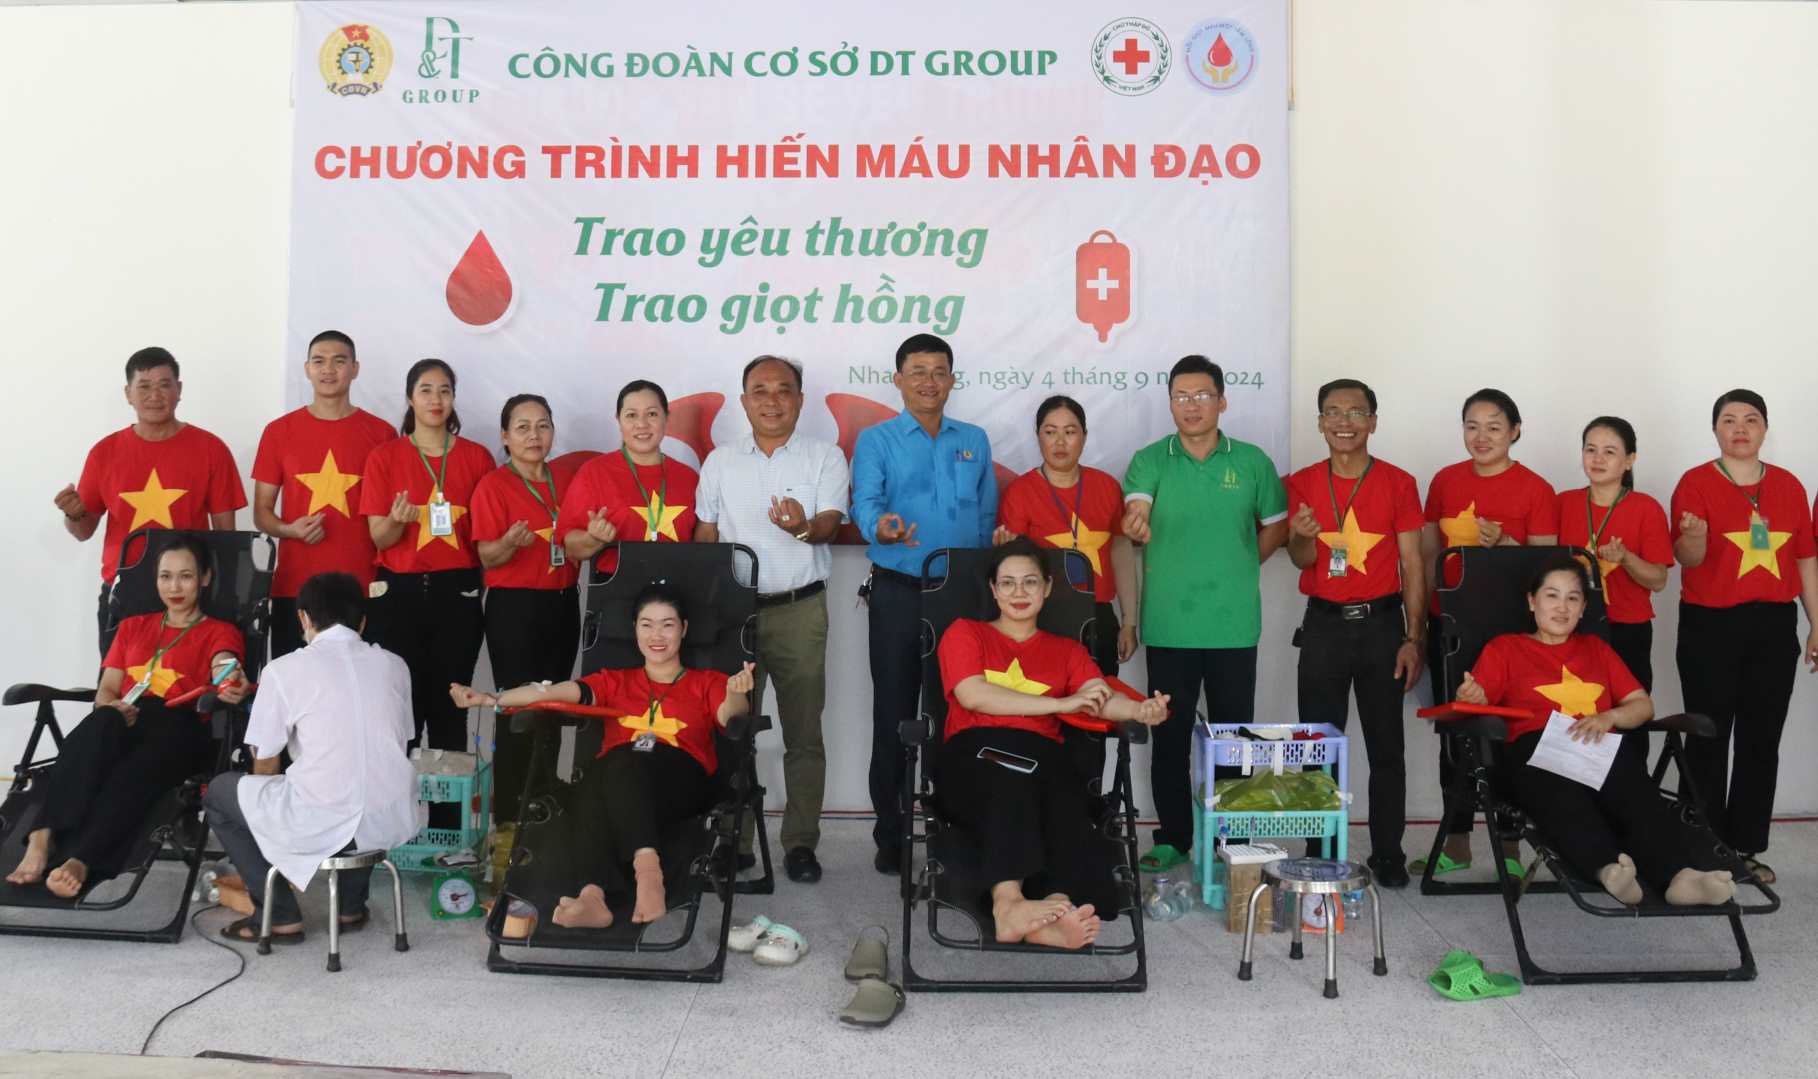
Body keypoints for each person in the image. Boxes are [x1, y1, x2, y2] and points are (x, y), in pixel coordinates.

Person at [449, 581, 754, 928]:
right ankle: (593, 899)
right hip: (619, 783)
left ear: (683, 630)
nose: (657, 634)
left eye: (667, 624)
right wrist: (493, 699)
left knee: (617, 763)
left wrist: (736, 693)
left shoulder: (707, 681)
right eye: (647, 624)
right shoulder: (615, 682)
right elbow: (553, 692)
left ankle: (647, 874)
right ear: (635, 630)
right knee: (597, 778)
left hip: (683, 783)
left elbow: (732, 718)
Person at [1454, 555, 1738, 907]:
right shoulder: (1506, 648)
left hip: (1593, 744)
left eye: (1573, 598)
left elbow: (1642, 705)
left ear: (1583, 606)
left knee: (1635, 792)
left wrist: (1609, 718)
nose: (1562, 607)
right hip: (1534, 748)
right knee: (1560, 794)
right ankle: (1608, 870)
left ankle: (1680, 877)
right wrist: (1474, 696)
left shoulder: (1596, 650)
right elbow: (1478, 700)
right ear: (1532, 601)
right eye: (1551, 596)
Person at [936, 539, 1170, 949]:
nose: (1019, 593)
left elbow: (1099, 697)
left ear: (1046, 587)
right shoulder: (965, 633)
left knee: (1066, 792)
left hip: (1042, 756)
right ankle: (1007, 904)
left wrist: (1140, 710)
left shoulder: (1067, 650)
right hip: (974, 752)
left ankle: (1055, 910)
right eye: (1007, 583)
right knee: (1010, 781)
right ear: (992, 590)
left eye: (1029, 582)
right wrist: (1060, 702)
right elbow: (973, 695)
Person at [1121, 355, 1287, 875]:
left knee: (1235, 738)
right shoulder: (1150, 459)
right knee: (1168, 738)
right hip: (1169, 626)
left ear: (1221, 400)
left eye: (1201, 396)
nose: (1191, 406)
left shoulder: (1254, 462)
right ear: (1170, 402)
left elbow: (1278, 526)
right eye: (1180, 397)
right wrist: (1137, 523)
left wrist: (1241, 561)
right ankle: (1173, 837)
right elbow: (1137, 508)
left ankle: (1235, 838)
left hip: (1233, 626)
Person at [7, 537, 246, 896]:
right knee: (99, 724)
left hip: (180, 724)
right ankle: (42, 838)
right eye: (166, 577)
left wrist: (232, 680)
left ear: (205, 578)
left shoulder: (218, 631)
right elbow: (107, 689)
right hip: (126, 716)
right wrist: (113, 706)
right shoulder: (133, 627)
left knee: (134, 770)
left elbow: (224, 664)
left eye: (185, 576)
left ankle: (82, 858)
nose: (174, 587)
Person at [695, 356, 849, 884]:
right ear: (743, 401)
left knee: (804, 733)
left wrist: (803, 529)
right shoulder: (719, 461)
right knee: (733, 730)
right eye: (759, 390)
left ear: (800, 399)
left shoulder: (824, 457)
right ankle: (733, 842)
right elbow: (706, 537)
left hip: (800, 608)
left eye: (784, 390)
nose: (772, 400)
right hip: (734, 614)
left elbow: (828, 526)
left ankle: (801, 843)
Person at [204, 572, 420, 943]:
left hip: (328, 818)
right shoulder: (395, 665)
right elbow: (396, 741)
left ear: (303, 618)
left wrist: (271, 826)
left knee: (220, 793)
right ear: (362, 622)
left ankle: (279, 915)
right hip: (391, 817)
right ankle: (351, 907)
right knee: (363, 780)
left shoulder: (283, 670)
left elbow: (267, 762)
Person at [852, 333, 996, 875]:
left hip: (961, 599)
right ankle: (891, 835)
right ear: (898, 379)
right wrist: (880, 529)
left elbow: (983, 521)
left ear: (953, 379)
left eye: (939, 371)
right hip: (898, 593)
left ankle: (948, 827)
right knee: (894, 715)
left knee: (954, 714)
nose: (929, 381)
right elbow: (865, 504)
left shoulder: (974, 440)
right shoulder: (878, 440)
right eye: (917, 371)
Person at [1670, 389, 1818, 885]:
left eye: (1750, 419)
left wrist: (1817, 622)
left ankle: (1746, 847)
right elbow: (1688, 560)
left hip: (1774, 626)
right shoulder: (1694, 484)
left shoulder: (1790, 487)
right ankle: (1702, 846)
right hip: (1710, 626)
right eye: (1729, 419)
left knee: (1761, 740)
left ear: (1764, 429)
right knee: (1708, 736)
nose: (1739, 428)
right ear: (1714, 429)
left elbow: (1804, 559)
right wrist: (1693, 537)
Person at [1283, 379, 1425, 887]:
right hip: (1322, 625)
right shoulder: (1300, 482)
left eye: (1356, 413)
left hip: (1384, 626)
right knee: (1318, 745)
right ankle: (1320, 848)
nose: (1344, 422)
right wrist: (1300, 536)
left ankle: (1388, 851)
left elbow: (1412, 562)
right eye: (1333, 413)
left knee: (1387, 747)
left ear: (1373, 422)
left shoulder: (1398, 482)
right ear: (1320, 422)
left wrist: (1415, 638)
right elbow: (1301, 559)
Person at [1419, 387, 1557, 875]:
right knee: (1454, 735)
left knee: (1509, 735)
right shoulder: (1445, 481)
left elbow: (1547, 569)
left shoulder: (1536, 489)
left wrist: (1507, 544)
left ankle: (1512, 845)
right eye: (1472, 426)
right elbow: (1427, 555)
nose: (1482, 437)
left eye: (1494, 427)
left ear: (1515, 431)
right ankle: (1456, 841)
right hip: (1453, 627)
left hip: (1513, 633)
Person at [60, 347, 245, 654]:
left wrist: (222, 600)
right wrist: (74, 514)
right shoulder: (104, 453)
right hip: (125, 593)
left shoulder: (211, 449)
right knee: (117, 693)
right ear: (128, 393)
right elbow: (83, 531)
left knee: (185, 694)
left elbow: (227, 541)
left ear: (179, 390)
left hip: (190, 594)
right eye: (144, 386)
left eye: (164, 384)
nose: (154, 395)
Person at [356, 359, 494, 759]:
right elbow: (377, 537)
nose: (436, 399)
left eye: (445, 390)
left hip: (458, 593)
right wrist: (397, 523)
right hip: (398, 593)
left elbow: (483, 537)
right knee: (402, 709)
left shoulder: (477, 458)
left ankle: (448, 819)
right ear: (409, 397)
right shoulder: (385, 457)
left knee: (452, 706)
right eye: (426, 390)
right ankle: (401, 816)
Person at [469, 395, 582, 844]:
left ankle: (545, 798)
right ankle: (510, 810)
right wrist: (509, 545)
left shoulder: (567, 480)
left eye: (542, 426)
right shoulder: (494, 486)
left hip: (563, 602)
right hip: (514, 607)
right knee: (517, 706)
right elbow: (485, 556)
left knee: (554, 702)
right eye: (522, 427)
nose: (534, 436)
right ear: (504, 435)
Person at [251, 330, 397, 659]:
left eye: (339, 361)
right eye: (319, 361)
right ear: (307, 368)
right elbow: (262, 512)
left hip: (364, 583)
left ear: (355, 369)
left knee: (363, 683)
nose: (328, 369)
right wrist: (289, 530)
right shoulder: (279, 432)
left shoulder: (381, 433)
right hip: (296, 584)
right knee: (295, 685)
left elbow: (388, 517)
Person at [1555, 416, 1672, 772]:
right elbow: (1538, 561)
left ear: (1630, 459)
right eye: (1590, 449)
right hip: (1569, 631)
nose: (1598, 458)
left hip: (1626, 629)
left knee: (1625, 721)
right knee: (1571, 715)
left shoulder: (1645, 508)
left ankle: (1630, 805)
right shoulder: (1562, 503)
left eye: (1610, 451)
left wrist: (1625, 558)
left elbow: (1658, 579)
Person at [992, 395, 1139, 675]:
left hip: (1099, 616)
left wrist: (1129, 622)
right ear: (1038, 437)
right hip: (1042, 616)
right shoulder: (1020, 492)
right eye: (1050, 432)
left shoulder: (1106, 486)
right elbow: (1011, 565)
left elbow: (1121, 553)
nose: (1060, 442)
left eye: (1070, 432)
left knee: (1100, 706)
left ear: (1084, 436)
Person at [558, 380, 699, 574]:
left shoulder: (689, 477)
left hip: (678, 591)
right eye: (631, 415)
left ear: (666, 418)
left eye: (652, 414)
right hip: (616, 593)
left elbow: (703, 543)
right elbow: (570, 545)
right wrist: (592, 539)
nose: (641, 424)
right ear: (619, 420)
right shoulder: (595, 472)